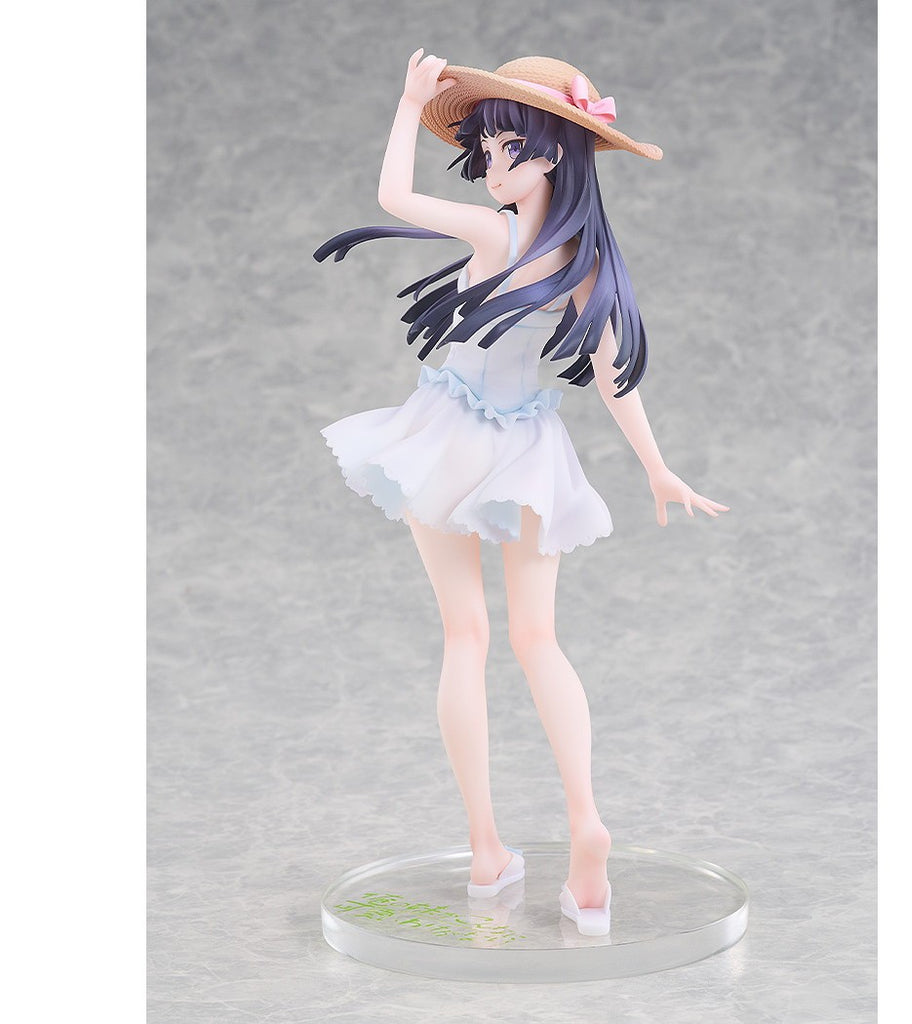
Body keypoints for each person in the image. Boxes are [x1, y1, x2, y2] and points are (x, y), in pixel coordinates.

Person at [316, 50, 729, 936]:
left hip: (449, 438)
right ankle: (586, 821)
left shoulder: (496, 235)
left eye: (509, 148)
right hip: (530, 448)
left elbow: (392, 196)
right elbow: (615, 378)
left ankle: (485, 850)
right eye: (487, 149)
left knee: (465, 635)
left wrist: (407, 104)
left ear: (553, 154)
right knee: (538, 639)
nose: (492, 165)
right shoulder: (582, 261)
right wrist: (656, 466)